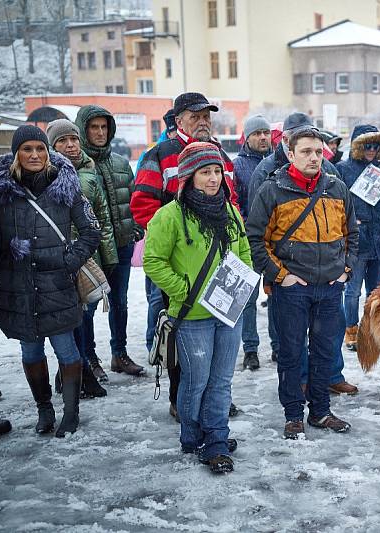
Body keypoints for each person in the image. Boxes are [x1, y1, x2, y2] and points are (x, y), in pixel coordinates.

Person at [132, 92, 240, 421]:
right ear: (178, 121)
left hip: (221, 267)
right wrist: (178, 241)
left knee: (219, 337)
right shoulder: (160, 154)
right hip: (181, 268)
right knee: (181, 338)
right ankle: (181, 398)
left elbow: (232, 203)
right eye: (195, 116)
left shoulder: (221, 155)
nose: (203, 121)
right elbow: (141, 205)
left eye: (207, 115)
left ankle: (214, 399)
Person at [143, 142, 250, 474]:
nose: (214, 178)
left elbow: (244, 252)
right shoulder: (169, 216)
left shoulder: (231, 211)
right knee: (196, 381)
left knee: (221, 381)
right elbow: (153, 261)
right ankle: (192, 434)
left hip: (228, 314)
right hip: (191, 317)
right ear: (188, 177)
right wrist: (183, 289)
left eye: (217, 171)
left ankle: (215, 439)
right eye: (206, 172)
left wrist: (240, 286)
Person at [246, 126, 358, 440]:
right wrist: (282, 276)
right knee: (292, 353)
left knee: (324, 352)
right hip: (292, 289)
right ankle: (294, 414)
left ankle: (321, 411)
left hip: (329, 287)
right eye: (306, 152)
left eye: (318, 152)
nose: (313, 157)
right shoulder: (272, 190)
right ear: (290, 154)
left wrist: (344, 270)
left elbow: (352, 233)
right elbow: (255, 239)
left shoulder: (336, 188)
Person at [0, 125, 101, 437]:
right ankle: (44, 409)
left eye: (40, 149)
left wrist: (70, 260)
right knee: (30, 352)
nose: (35, 155)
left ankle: (71, 412)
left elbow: (92, 230)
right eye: (27, 149)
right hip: (18, 289)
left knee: (67, 350)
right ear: (16, 154)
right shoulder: (1, 192)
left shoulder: (65, 186)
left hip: (57, 285)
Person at [74, 105, 144, 379]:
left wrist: (135, 227)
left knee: (120, 302)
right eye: (94, 127)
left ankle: (120, 354)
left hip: (123, 244)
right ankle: (90, 358)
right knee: (89, 305)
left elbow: (134, 200)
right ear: (83, 129)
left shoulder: (120, 163)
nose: (100, 132)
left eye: (104, 127)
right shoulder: (76, 165)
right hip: (93, 250)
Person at [47, 118, 114, 398]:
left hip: (86, 255)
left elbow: (102, 216)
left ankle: (79, 370)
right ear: (52, 146)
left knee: (84, 316)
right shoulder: (46, 172)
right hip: (58, 258)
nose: (70, 145)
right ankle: (73, 372)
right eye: (62, 141)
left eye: (73, 139)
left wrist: (108, 257)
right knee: (68, 320)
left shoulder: (89, 168)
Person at [337, 125, 380, 362]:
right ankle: (350, 331)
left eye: (376, 146)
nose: (372, 150)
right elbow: (336, 200)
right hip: (356, 240)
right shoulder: (343, 169)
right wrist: (350, 220)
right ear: (357, 146)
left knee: (376, 291)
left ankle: (371, 331)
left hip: (379, 239)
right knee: (352, 291)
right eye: (367, 145)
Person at [233, 114, 272, 371]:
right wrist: (249, 227)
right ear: (247, 137)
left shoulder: (278, 162)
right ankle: (250, 349)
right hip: (249, 240)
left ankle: (279, 347)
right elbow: (235, 202)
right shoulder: (237, 166)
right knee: (248, 298)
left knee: (278, 296)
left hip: (276, 241)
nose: (262, 137)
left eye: (265, 133)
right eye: (256, 133)